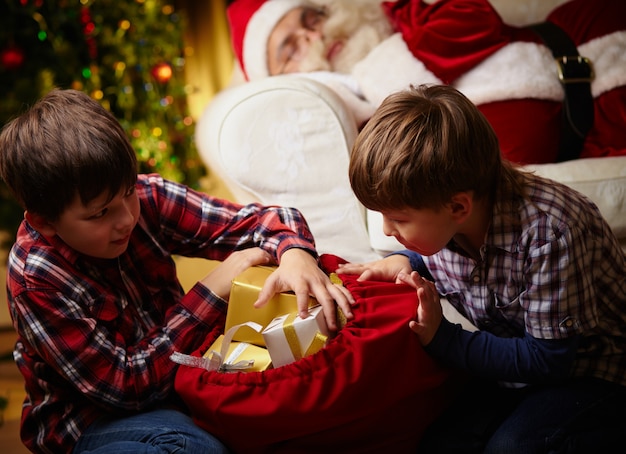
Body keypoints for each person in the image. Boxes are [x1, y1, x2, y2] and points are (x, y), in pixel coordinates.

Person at [0, 88, 354, 454]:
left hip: (178, 380)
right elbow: (126, 385)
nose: (126, 219)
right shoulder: (35, 280)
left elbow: (261, 221)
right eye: (100, 213)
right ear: (45, 223)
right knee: (190, 447)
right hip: (90, 420)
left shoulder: (143, 197)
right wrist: (212, 291)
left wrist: (295, 252)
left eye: (127, 192)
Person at [336, 83, 626, 453]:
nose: (388, 231)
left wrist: (444, 339)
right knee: (433, 438)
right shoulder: (445, 224)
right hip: (512, 372)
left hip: (594, 371)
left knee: (513, 447)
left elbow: (549, 360)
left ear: (458, 208)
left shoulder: (551, 232)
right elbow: (434, 260)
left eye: (398, 219)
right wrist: (404, 262)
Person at [225, 0, 626, 165]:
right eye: (289, 49)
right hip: (596, 131)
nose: (315, 38)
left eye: (311, 19)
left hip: (590, 37)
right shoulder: (350, 128)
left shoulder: (404, 22)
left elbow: (477, 23)